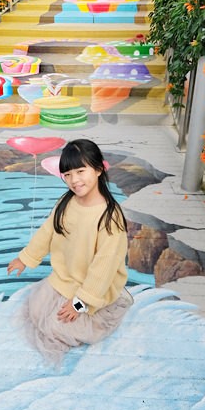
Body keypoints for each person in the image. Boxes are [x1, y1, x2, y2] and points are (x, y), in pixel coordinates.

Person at [7, 138, 133, 363]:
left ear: (97, 169)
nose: (74, 180)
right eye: (67, 175)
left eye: (80, 171)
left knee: (57, 327)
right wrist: (25, 258)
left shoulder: (109, 217)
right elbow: (48, 231)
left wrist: (80, 303)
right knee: (35, 311)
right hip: (66, 279)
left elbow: (103, 267)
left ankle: (95, 306)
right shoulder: (66, 203)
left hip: (93, 288)